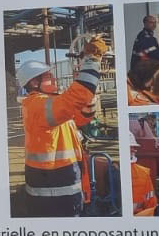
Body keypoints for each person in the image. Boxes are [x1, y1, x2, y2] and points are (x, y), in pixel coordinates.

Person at [17, 34, 107, 217]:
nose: (54, 78)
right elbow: (76, 98)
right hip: (55, 194)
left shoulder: (47, 104)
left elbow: (80, 119)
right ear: (34, 83)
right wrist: (92, 59)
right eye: (48, 76)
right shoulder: (37, 105)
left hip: (60, 187)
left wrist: (88, 99)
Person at [130, 143, 158, 216]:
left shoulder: (143, 173)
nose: (132, 149)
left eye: (132, 147)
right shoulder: (143, 173)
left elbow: (151, 202)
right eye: (130, 147)